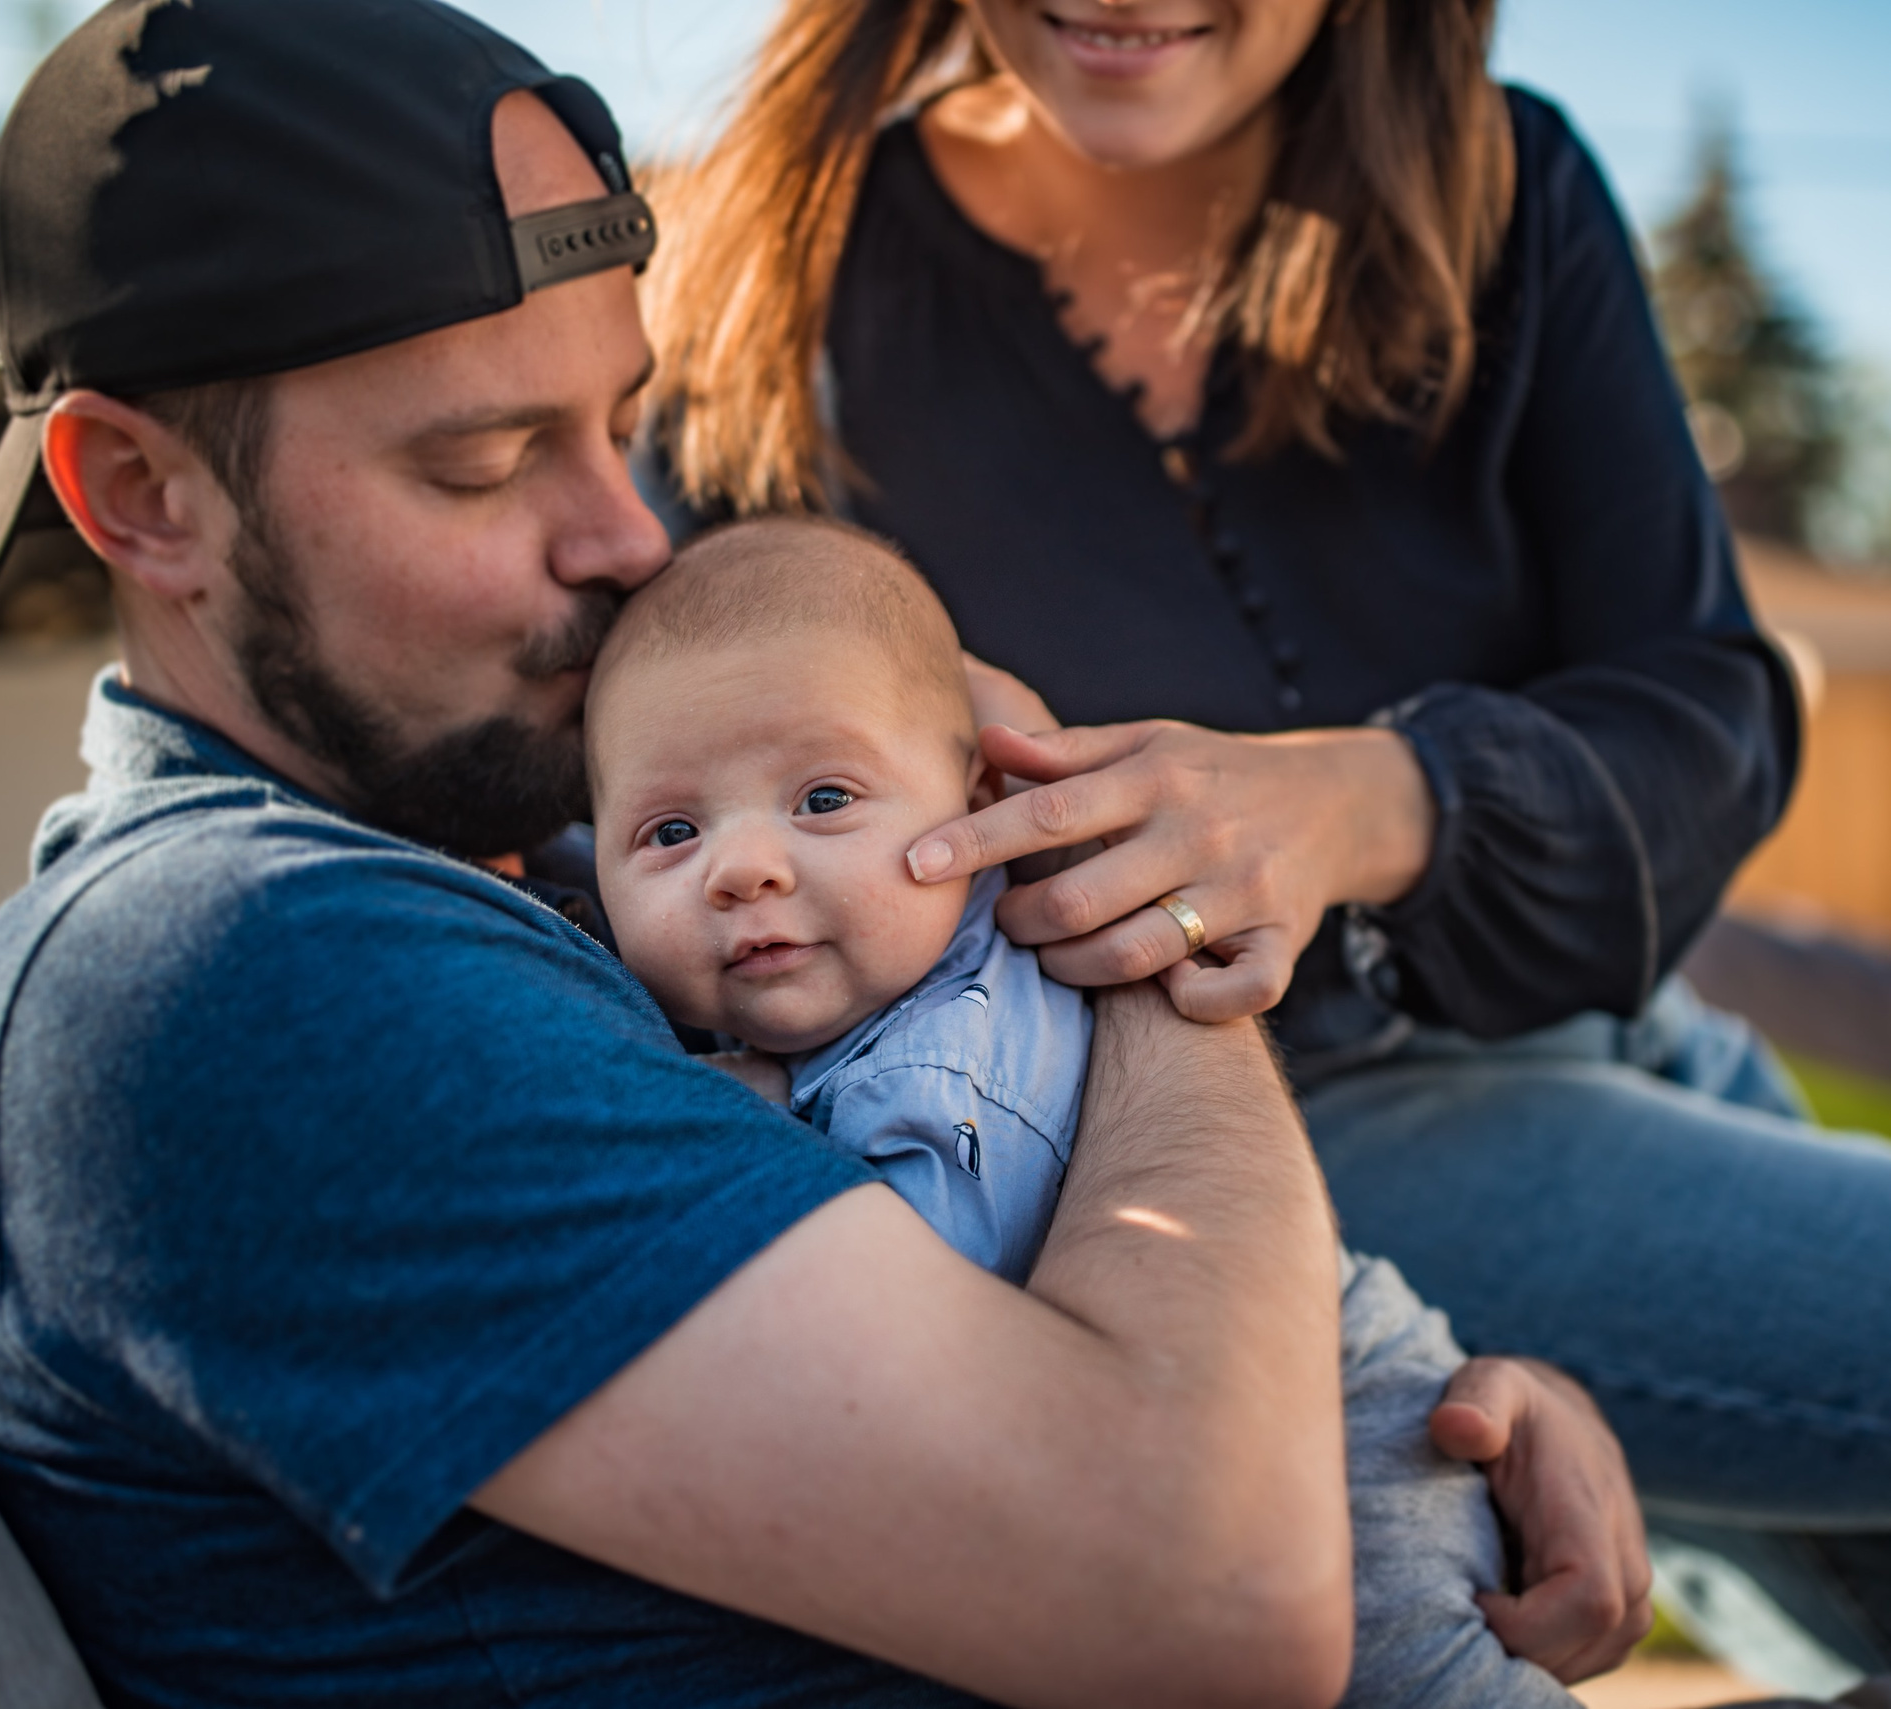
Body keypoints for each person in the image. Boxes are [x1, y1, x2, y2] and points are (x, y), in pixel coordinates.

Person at [642, 0, 1891, 1689]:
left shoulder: (1506, 186)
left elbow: (1709, 711)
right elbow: (642, 812)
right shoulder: (773, 276)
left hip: (1657, 1050)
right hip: (1257, 1137)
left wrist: (1369, 796)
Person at [0, 2, 1445, 1702]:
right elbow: (1219, 1598)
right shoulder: (233, 967)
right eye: (484, 460)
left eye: (618, 417)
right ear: (143, 497)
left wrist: (1406, 1437)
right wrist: (1137, 932)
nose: (630, 534)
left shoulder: (523, 864)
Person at [585, 513, 1548, 1708]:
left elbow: (927, 1367)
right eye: (670, 831)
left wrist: (757, 1115)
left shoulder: (937, 1061)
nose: (743, 865)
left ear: (979, 799)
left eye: (824, 797)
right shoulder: (911, 961)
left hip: (1338, 1429)